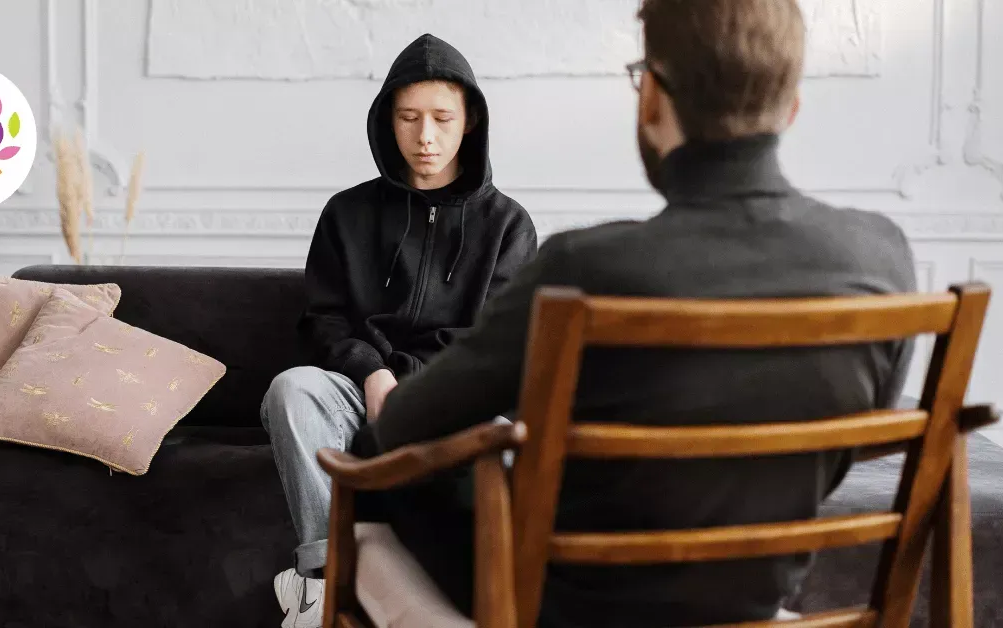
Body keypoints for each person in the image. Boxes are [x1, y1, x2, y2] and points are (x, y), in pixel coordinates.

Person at [356, 1, 917, 626]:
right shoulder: (882, 257)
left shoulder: (582, 268)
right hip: (754, 597)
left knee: (380, 458)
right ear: (791, 107)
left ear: (650, 96)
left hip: (564, 604)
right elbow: (858, 435)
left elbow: (405, 425)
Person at [260, 33, 537, 627]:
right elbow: (323, 319)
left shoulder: (508, 226)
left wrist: (413, 386)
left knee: (504, 425)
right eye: (409, 118)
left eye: (442, 118)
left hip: (451, 400)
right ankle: (323, 580)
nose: (425, 137)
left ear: (470, 123)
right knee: (292, 390)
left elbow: (494, 344)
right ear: (388, 121)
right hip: (359, 391)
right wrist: (375, 372)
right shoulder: (346, 213)